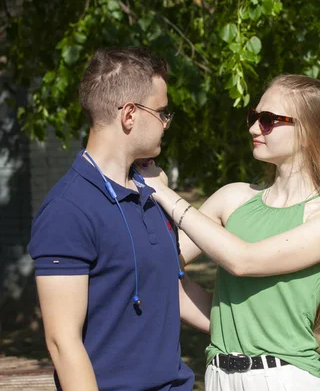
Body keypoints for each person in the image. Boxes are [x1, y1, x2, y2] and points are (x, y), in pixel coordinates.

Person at [138, 74, 320, 391]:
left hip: (283, 379)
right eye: (253, 116)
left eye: (269, 119)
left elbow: (244, 261)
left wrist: (164, 193)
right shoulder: (231, 198)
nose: (253, 128)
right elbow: (159, 267)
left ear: (309, 132)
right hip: (219, 376)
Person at [28, 47, 211, 391]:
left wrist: (254, 325)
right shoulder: (67, 211)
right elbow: (62, 343)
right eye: (162, 112)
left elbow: (173, 291)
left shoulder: (152, 192)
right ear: (129, 114)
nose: (166, 123)